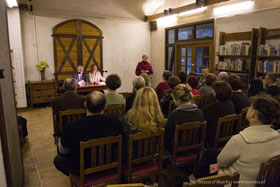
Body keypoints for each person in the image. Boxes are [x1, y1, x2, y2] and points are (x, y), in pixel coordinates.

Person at [53, 91, 124, 176]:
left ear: (85, 105)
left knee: (58, 159)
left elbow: (62, 151)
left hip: (81, 170)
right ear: (105, 107)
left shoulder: (71, 127)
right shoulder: (116, 124)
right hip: (108, 165)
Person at [217, 96, 280, 186]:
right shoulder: (277, 137)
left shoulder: (240, 139)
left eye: (250, 107)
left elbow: (221, 162)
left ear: (253, 113)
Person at [121, 87, 165, 162]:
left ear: (137, 100)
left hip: (131, 158)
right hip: (152, 155)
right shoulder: (161, 121)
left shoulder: (126, 120)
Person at [164, 84, 204, 156]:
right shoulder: (199, 113)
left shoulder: (174, 115)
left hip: (176, 152)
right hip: (195, 150)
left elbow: (167, 139)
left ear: (178, 100)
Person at [203, 82, 235, 147]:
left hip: (212, 139)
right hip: (226, 137)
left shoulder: (211, 108)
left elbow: (202, 119)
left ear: (217, 93)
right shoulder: (230, 104)